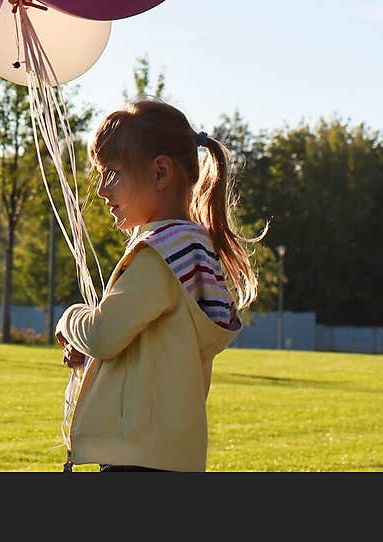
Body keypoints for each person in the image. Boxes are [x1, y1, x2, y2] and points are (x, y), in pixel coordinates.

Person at [55, 98, 263, 473]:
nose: (102, 190)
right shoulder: (192, 250)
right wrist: (93, 360)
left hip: (137, 459)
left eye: (113, 173)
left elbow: (103, 332)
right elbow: (149, 355)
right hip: (170, 454)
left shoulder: (159, 255)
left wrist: (69, 319)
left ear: (161, 172)